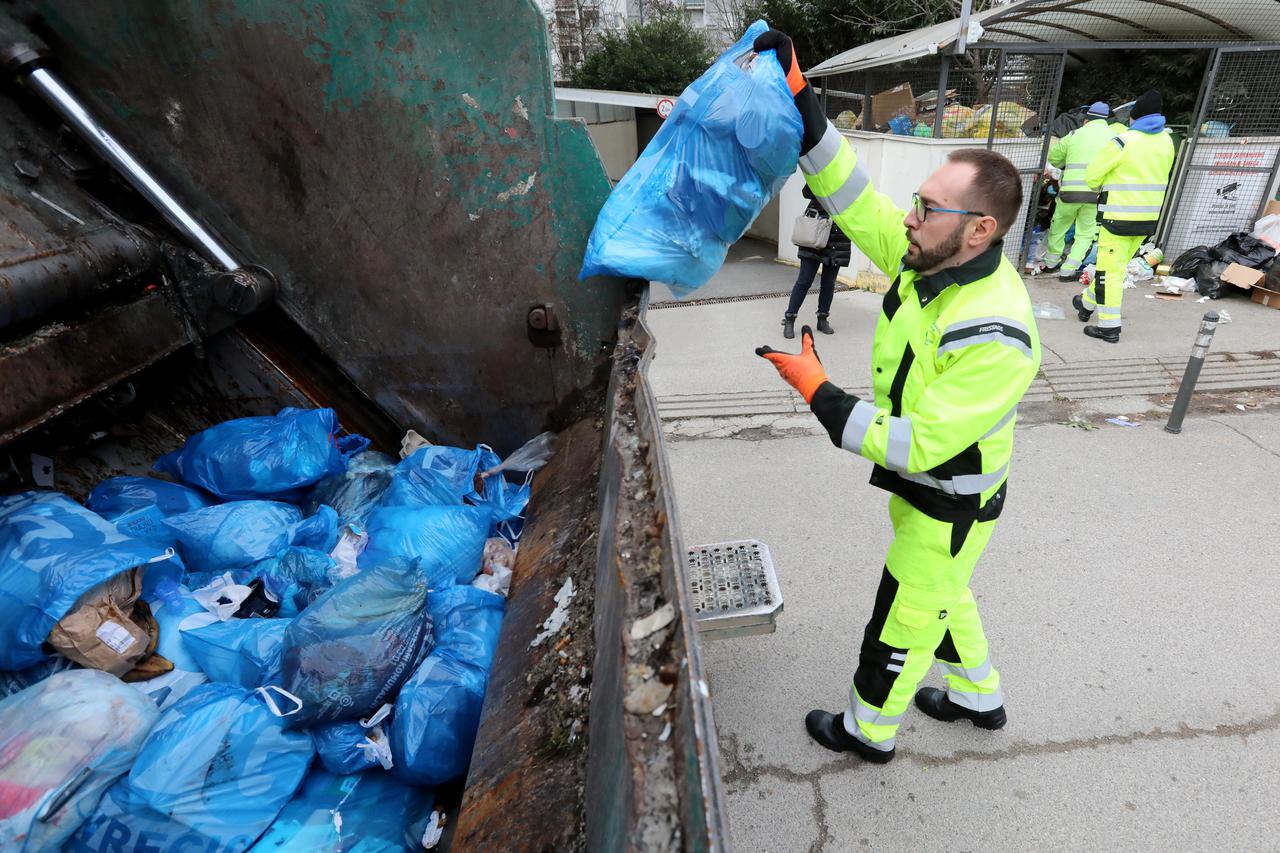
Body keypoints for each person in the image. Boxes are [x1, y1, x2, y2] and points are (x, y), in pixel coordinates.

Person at [751, 29, 1042, 764]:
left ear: (980, 228)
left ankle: (867, 729)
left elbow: (922, 443)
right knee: (948, 593)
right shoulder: (929, 258)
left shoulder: (996, 332)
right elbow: (852, 197)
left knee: (905, 613)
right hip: (933, 493)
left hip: (949, 494)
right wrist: (802, 103)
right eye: (916, 202)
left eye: (928, 207)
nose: (909, 217)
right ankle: (981, 696)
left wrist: (819, 393)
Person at [1074, 89, 1175, 343]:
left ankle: (1109, 327)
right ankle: (1086, 304)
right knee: (1114, 267)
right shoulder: (1166, 142)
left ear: (1134, 115)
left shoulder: (1124, 141)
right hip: (1146, 220)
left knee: (1110, 273)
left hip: (1116, 219)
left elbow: (1092, 177)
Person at [1041, 101, 1113, 280]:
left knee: (1059, 226)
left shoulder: (1074, 134)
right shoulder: (1114, 138)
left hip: (1069, 193)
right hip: (1094, 194)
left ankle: (1050, 263)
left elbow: (1054, 158)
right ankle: (1068, 270)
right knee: (1085, 232)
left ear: (1086, 120)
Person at [783, 185, 852, 339]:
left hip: (837, 237)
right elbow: (806, 192)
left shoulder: (850, 179)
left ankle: (823, 319)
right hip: (814, 233)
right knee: (804, 281)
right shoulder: (821, 173)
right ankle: (790, 318)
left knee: (829, 284)